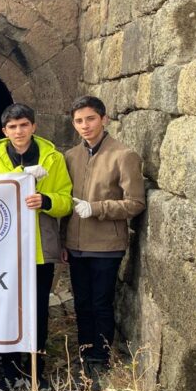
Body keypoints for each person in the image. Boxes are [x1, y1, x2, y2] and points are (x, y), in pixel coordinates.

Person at [0, 103, 72, 391]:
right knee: (7, 309)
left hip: (39, 248)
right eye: (12, 127)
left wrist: (45, 200)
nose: (18, 131)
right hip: (3, 250)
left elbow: (65, 199)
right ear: (5, 131)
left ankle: (36, 371)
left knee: (38, 311)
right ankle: (9, 371)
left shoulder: (53, 158)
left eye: (23, 125)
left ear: (33, 126)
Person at [63, 96, 145, 376]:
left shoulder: (123, 155)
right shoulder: (71, 156)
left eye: (90, 119)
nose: (85, 126)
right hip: (76, 245)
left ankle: (102, 357)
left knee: (101, 302)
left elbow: (135, 202)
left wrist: (97, 208)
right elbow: (64, 200)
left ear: (104, 119)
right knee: (82, 303)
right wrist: (65, 239)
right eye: (79, 121)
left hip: (106, 245)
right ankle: (86, 352)